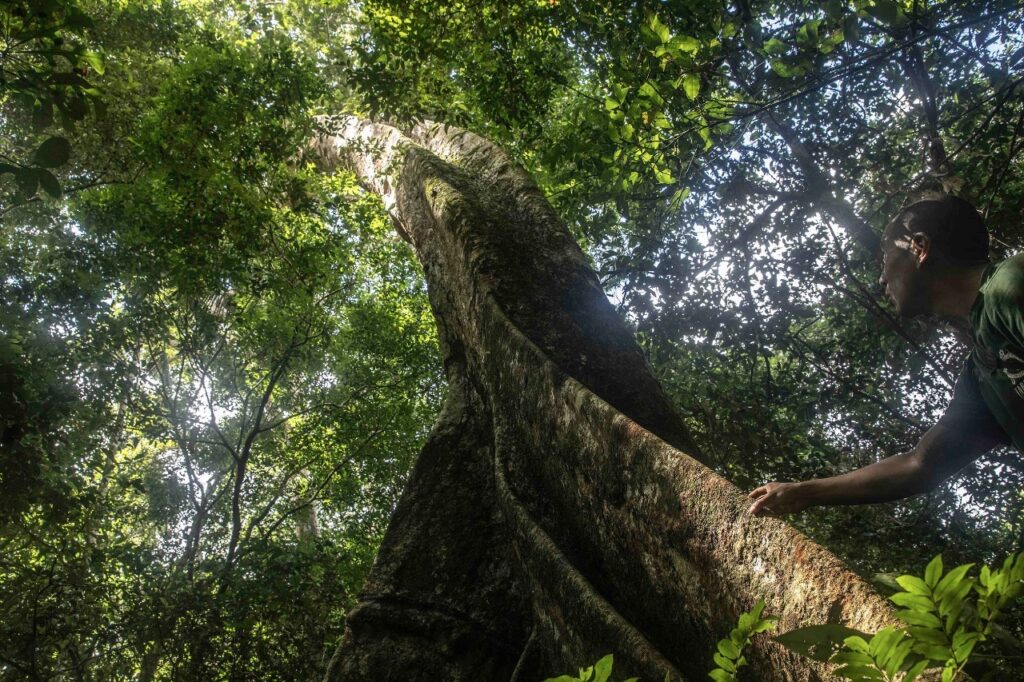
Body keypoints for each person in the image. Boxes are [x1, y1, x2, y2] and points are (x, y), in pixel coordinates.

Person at [747, 195, 1024, 516]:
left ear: (919, 247)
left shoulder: (1010, 282)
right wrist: (802, 492)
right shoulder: (983, 376)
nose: (881, 279)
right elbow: (918, 464)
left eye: (885, 257)